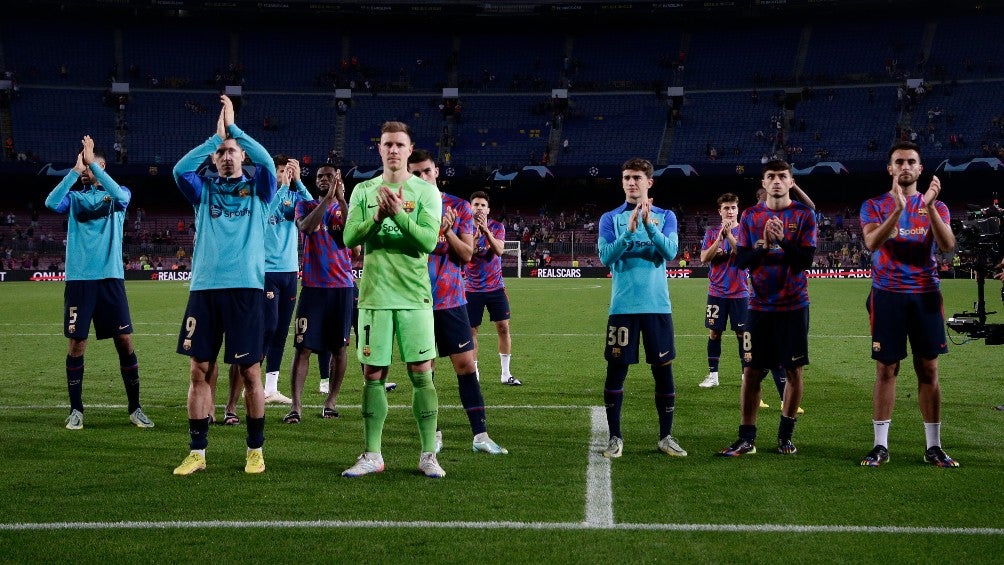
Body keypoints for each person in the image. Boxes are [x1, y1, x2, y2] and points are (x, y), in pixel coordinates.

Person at [171, 94, 277, 475]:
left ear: (242, 155)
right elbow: (179, 171)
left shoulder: (261, 189)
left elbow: (268, 162)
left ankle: (255, 450)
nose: (227, 156)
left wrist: (234, 130)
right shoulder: (203, 190)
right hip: (204, 289)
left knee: (250, 371)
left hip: (245, 289)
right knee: (199, 370)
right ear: (214, 159)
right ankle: (197, 453)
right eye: (222, 153)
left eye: (233, 151)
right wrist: (214, 139)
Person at [340, 121, 444, 478]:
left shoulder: (427, 192)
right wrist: (377, 217)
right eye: (388, 144)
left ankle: (428, 454)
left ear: (409, 150)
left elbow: (428, 241)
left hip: (414, 297)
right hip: (374, 297)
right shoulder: (364, 190)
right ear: (380, 149)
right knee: (373, 375)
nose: (394, 150)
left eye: (400, 144)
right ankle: (373, 455)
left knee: (422, 374)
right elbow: (349, 238)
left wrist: (397, 215)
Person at [859, 141, 958, 467]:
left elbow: (948, 246)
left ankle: (934, 447)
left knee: (928, 369)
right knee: (886, 369)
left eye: (911, 162)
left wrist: (928, 207)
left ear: (920, 168)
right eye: (899, 161)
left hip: (925, 295)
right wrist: (898, 211)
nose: (905, 166)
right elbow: (872, 242)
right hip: (887, 294)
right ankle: (880, 446)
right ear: (890, 168)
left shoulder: (937, 206)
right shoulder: (873, 205)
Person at [44, 135, 153, 431]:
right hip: (80, 280)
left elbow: (122, 197)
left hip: (110, 279)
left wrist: (93, 165)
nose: (86, 168)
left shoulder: (118, 195)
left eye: (90, 164)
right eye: (84, 163)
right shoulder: (75, 199)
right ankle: (76, 410)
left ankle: (135, 408)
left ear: (101, 165)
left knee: (124, 341)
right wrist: (75, 171)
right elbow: (51, 202)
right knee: (77, 343)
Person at [408, 149, 508, 455]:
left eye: (426, 171)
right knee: (425, 371)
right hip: (417, 302)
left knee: (465, 365)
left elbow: (466, 254)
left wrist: (448, 231)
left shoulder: (458, 206)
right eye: (415, 173)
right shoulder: (404, 207)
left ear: (436, 171)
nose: (422, 177)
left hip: (452, 300)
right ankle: (434, 433)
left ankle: (481, 435)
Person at [718, 159, 816, 457]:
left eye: (782, 176)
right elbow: (742, 261)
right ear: (763, 183)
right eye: (771, 176)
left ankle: (785, 437)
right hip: (759, 306)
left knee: (794, 371)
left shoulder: (804, 214)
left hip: (794, 305)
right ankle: (746, 438)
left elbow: (805, 261)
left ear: (791, 182)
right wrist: (763, 243)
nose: (776, 181)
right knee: (751, 371)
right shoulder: (751, 216)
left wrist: (782, 240)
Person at [597, 157, 686, 459]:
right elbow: (606, 258)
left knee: (663, 372)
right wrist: (628, 232)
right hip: (622, 308)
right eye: (626, 178)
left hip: (657, 307)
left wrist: (648, 225)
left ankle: (666, 437)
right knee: (616, 372)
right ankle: (615, 437)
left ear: (649, 182)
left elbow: (670, 252)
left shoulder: (666, 216)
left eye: (637, 177)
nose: (631, 183)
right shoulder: (610, 218)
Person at [216, 155, 306, 425]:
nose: (285, 174)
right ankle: (236, 398)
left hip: (290, 272)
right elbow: (266, 213)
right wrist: (283, 187)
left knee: (279, 332)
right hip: (264, 271)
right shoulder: (260, 195)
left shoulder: (293, 198)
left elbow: (313, 207)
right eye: (281, 170)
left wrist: (299, 183)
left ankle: (271, 389)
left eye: (288, 170)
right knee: (260, 332)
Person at [282, 163, 358, 423]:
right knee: (303, 347)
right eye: (320, 177)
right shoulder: (305, 205)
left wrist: (342, 200)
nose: (324, 179)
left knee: (339, 347)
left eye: (329, 176)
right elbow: (306, 228)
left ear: (338, 180)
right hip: (313, 288)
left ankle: (331, 401)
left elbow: (352, 240)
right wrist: (327, 200)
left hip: (342, 287)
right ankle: (296, 406)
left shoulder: (348, 208)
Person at [747, 185, 811, 414]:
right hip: (761, 298)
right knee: (759, 363)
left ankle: (784, 403)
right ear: (761, 192)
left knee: (782, 361)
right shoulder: (752, 217)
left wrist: (795, 186)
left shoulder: (791, 214)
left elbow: (810, 208)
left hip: (790, 299)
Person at [466, 190, 521, 386]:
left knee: (503, 328)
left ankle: (506, 374)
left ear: (488, 209)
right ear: (470, 208)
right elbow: (467, 254)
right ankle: (474, 375)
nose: (479, 208)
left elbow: (499, 250)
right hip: (472, 288)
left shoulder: (497, 227)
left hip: (496, 287)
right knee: (472, 331)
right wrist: (476, 235)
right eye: (476, 204)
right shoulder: (463, 228)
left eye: (483, 205)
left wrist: (486, 231)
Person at [697, 193, 748, 390]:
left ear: (738, 210)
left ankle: (746, 376)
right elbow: (704, 258)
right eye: (726, 208)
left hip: (740, 292)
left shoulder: (744, 231)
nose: (730, 211)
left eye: (733, 207)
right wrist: (719, 239)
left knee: (742, 334)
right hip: (716, 292)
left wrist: (729, 237)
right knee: (714, 333)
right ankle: (713, 375)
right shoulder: (711, 232)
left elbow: (743, 255)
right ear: (720, 211)